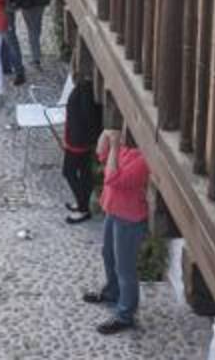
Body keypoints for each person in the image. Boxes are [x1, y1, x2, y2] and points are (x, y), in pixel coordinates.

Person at [85, 127, 151, 335]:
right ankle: (112, 292)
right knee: (108, 255)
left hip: (130, 219)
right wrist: (104, 134)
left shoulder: (142, 161)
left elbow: (112, 178)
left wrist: (114, 146)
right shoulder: (125, 151)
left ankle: (125, 315)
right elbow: (100, 153)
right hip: (114, 211)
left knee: (125, 269)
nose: (122, 135)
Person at [62, 62, 102, 224]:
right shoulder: (83, 87)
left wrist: (86, 139)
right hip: (78, 138)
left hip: (78, 141)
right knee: (84, 172)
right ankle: (82, 202)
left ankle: (83, 207)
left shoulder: (85, 91)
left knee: (69, 172)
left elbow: (88, 118)